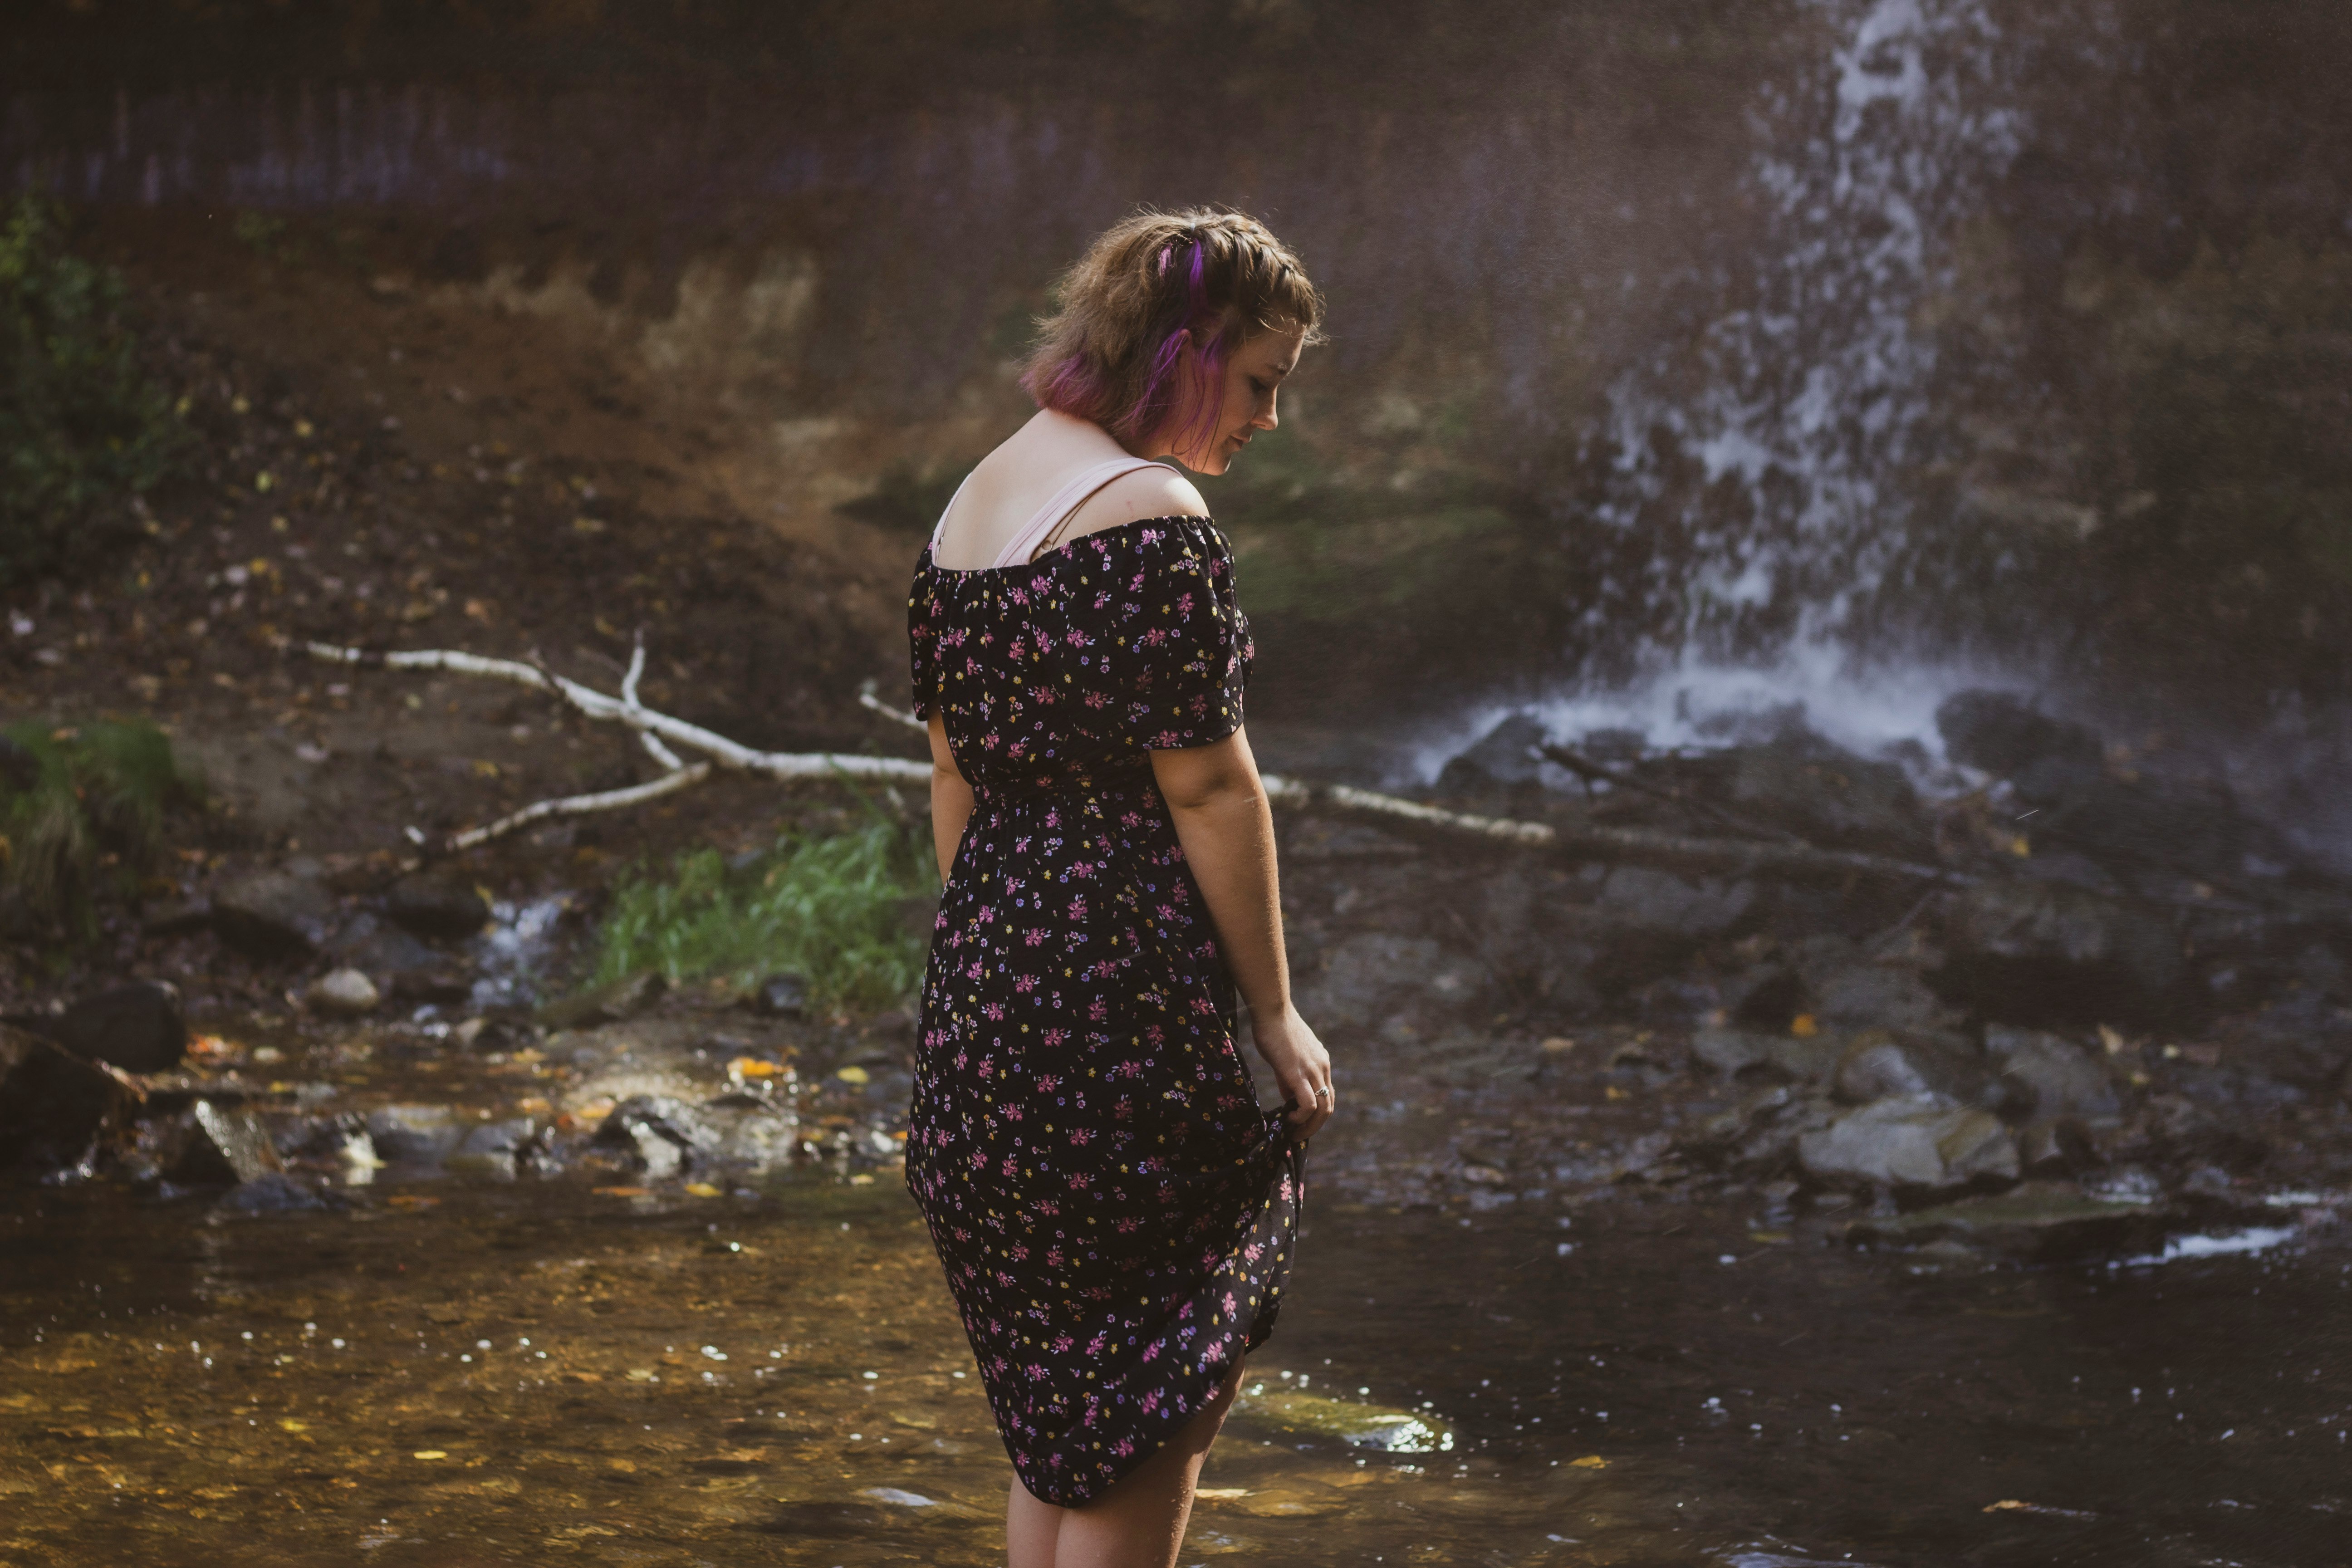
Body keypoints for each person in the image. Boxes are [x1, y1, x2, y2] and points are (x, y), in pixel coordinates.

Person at [904, 207, 1336, 1568]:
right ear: (1190, 352)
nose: (1267, 420)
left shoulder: (967, 509)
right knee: (1148, 1404)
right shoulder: (1150, 516)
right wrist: (1272, 1013)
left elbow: (953, 781)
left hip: (980, 1024)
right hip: (1118, 1020)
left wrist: (992, 979)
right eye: (1260, 383)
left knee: (1062, 1421)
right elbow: (1213, 790)